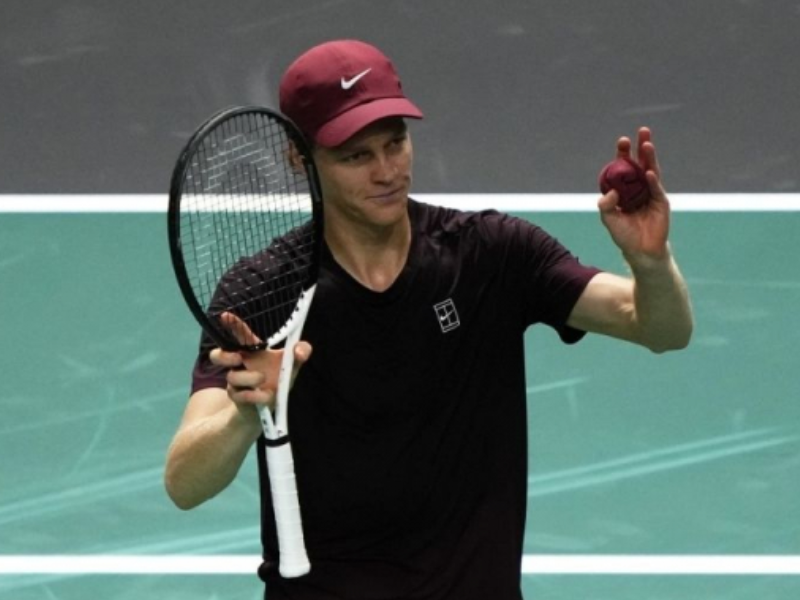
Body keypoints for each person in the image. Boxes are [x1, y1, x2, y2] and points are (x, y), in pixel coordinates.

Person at [164, 39, 693, 600]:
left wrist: (650, 262)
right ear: (301, 159)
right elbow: (184, 482)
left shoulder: (489, 252)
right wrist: (248, 413)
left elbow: (658, 328)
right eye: (356, 157)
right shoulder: (264, 291)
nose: (387, 172)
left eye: (395, 143)